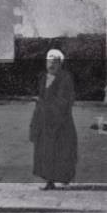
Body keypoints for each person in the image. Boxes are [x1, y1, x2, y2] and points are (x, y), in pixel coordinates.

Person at [29, 48, 78, 189]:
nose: (51, 65)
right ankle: (49, 181)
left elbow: (64, 100)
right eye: (49, 62)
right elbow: (42, 95)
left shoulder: (66, 78)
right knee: (45, 151)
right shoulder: (43, 78)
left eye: (54, 62)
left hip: (60, 122)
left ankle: (62, 178)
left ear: (60, 63)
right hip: (44, 120)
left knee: (61, 150)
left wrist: (43, 102)